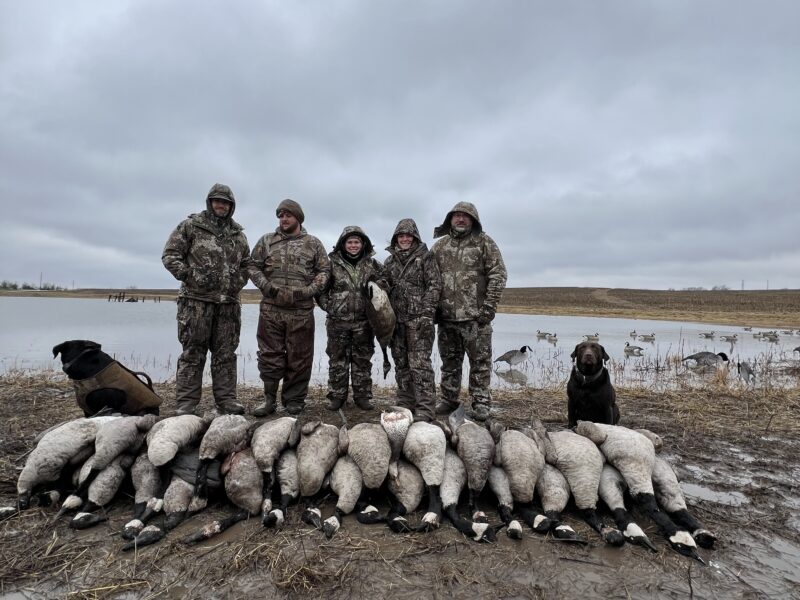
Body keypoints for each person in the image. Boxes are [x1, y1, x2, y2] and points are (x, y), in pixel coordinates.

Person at [162, 183, 251, 415]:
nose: (221, 205)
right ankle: (186, 404)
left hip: (228, 305)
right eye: (217, 201)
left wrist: (237, 282)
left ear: (232, 206)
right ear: (209, 202)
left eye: (226, 202)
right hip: (196, 303)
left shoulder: (238, 236)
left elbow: (247, 265)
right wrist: (189, 275)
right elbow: (170, 255)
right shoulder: (191, 226)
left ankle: (226, 401)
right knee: (193, 352)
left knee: (225, 355)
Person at [248, 200, 329, 416]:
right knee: (269, 354)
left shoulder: (313, 243)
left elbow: (324, 271)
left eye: (288, 215)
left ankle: (294, 400)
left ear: (298, 218)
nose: (283, 219)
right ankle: (269, 400)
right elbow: (252, 266)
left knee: (300, 357)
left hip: (301, 311)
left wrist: (309, 290)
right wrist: (267, 287)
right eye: (280, 215)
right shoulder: (266, 241)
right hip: (271, 310)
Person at [431, 202, 507, 421]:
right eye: (457, 216)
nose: (461, 219)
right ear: (450, 219)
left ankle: (481, 402)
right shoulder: (440, 246)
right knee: (450, 364)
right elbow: (428, 278)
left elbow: (498, 274)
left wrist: (489, 308)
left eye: (466, 216)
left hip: (476, 319)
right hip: (447, 319)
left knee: (480, 365)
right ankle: (449, 399)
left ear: (473, 220)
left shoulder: (484, 243)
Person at [318, 226, 386, 411]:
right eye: (349, 242)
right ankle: (337, 397)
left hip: (364, 323)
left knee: (362, 361)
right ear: (343, 244)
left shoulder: (373, 265)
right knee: (337, 360)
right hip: (337, 323)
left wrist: (377, 291)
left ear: (363, 244)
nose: (353, 245)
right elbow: (320, 291)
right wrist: (330, 306)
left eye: (357, 242)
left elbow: (386, 284)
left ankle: (362, 396)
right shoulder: (331, 264)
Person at [383, 218, 441, 422]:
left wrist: (427, 314)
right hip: (396, 323)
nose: (405, 239)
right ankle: (405, 403)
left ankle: (425, 408)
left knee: (420, 365)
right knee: (401, 364)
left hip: (419, 322)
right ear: (395, 238)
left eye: (408, 235)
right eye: (401, 235)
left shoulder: (426, 257)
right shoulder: (389, 262)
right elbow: (385, 289)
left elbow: (434, 286)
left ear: (415, 237)